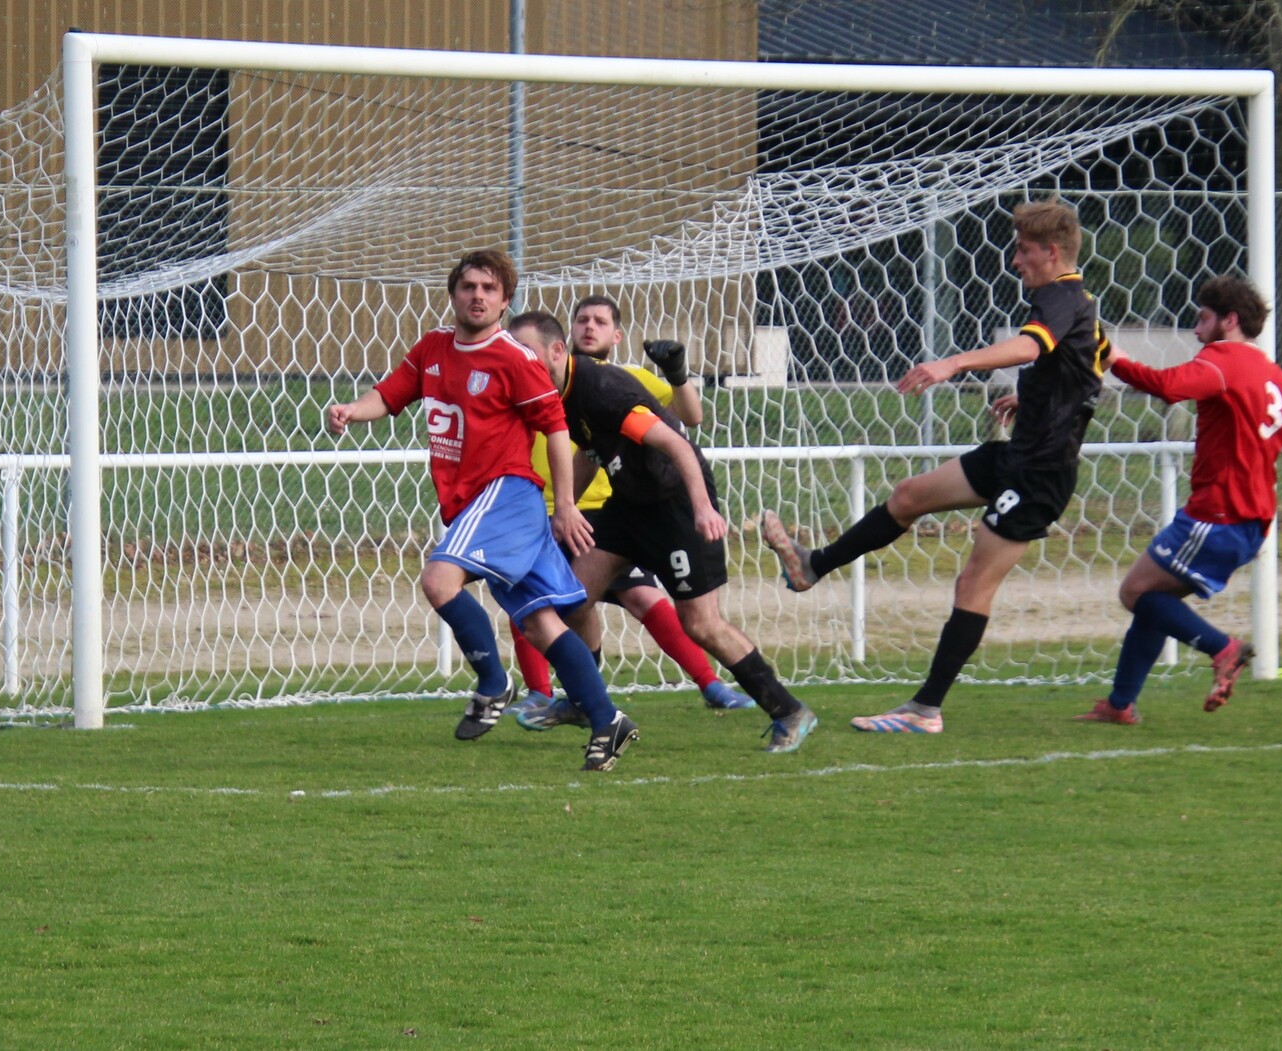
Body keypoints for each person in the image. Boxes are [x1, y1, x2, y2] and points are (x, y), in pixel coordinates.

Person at [760, 198, 1107, 734]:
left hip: (1040, 474)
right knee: (908, 497)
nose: (1015, 261)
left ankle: (925, 710)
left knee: (972, 584)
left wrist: (954, 362)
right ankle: (813, 566)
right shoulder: (1069, 303)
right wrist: (1033, 401)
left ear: (1052, 252)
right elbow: (1091, 366)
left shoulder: (1062, 295)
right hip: (1016, 456)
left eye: (1023, 250)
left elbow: (1032, 347)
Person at [325, 249, 638, 771]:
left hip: (507, 494)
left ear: (505, 300)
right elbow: (391, 393)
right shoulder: (433, 348)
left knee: (438, 581)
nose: (478, 296)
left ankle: (494, 683)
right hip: (479, 504)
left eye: (489, 289)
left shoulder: (514, 357)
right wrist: (352, 410)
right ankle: (608, 721)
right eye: (469, 286)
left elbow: (557, 430)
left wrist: (565, 506)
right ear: (453, 294)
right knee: (540, 625)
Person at [507, 310, 820, 754]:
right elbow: (591, 453)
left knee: (701, 624)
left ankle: (788, 710)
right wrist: (562, 509)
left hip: (674, 508)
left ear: (557, 352)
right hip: (630, 507)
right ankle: (583, 700)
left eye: (525, 354)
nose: (517, 363)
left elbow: (677, 443)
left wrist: (702, 509)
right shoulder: (562, 391)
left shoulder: (602, 388)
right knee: (573, 599)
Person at [1075, 275, 1282, 724]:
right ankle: (1120, 704)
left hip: (1217, 514)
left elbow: (1167, 385)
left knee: (1134, 592)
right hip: (1251, 526)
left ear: (1229, 321)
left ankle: (1222, 649)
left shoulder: (1222, 362)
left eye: (1203, 318)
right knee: (1156, 600)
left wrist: (1112, 357)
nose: (1196, 329)